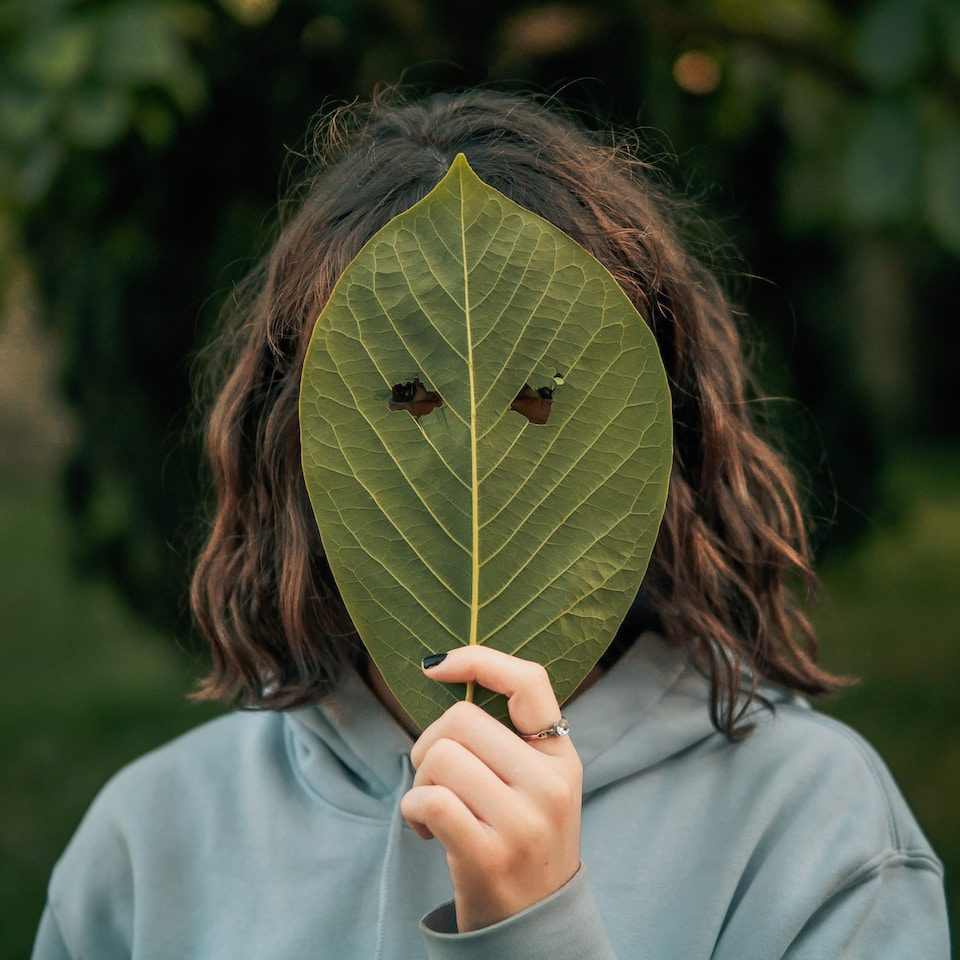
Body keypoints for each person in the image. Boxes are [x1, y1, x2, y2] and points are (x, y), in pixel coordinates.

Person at [32, 89, 950, 959]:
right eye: (406, 397)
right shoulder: (150, 844)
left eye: (541, 399)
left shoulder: (815, 827)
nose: (472, 454)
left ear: (658, 436)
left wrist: (533, 929)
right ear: (294, 441)